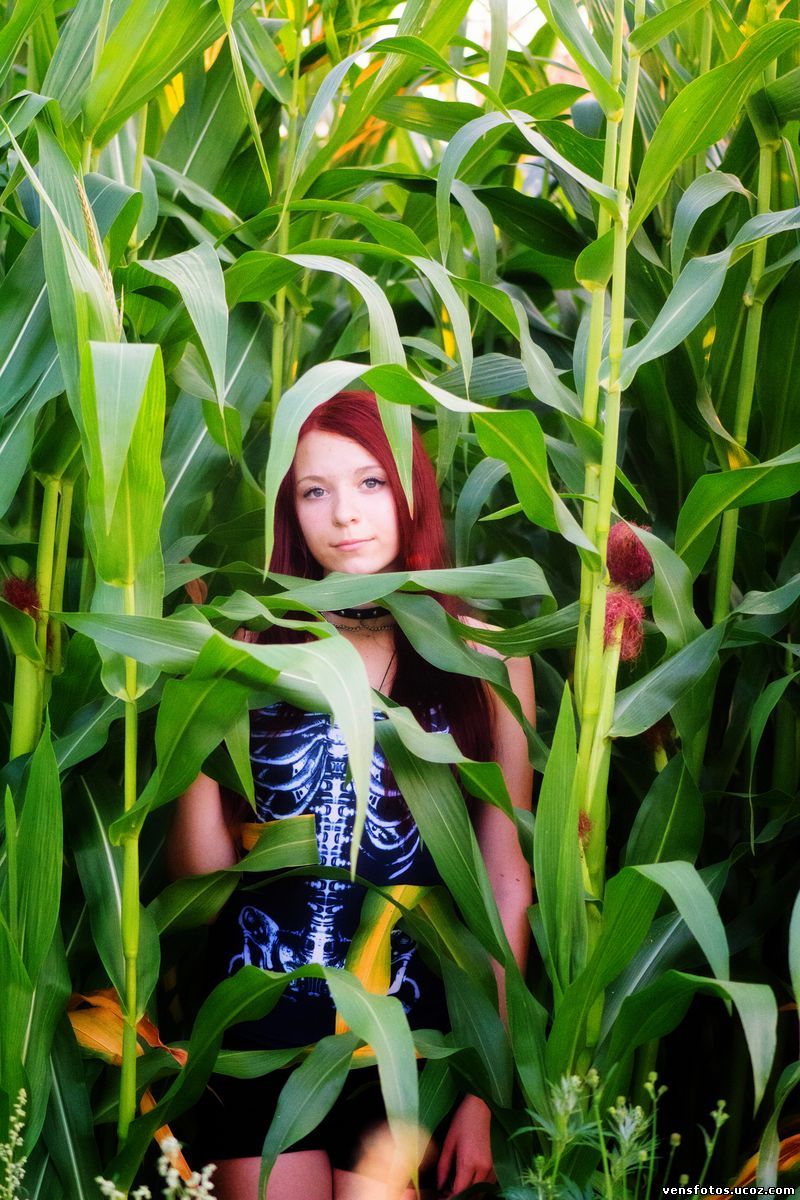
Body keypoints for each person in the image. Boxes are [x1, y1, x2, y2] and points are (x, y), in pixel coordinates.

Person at [168, 391, 534, 1200]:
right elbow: (201, 880)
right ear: (290, 511)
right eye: (314, 490)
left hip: (412, 1043)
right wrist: (193, 720)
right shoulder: (250, 649)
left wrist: (485, 1086)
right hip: (257, 1027)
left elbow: (506, 882)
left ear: (411, 491)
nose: (344, 515)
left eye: (370, 482)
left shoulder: (486, 660)